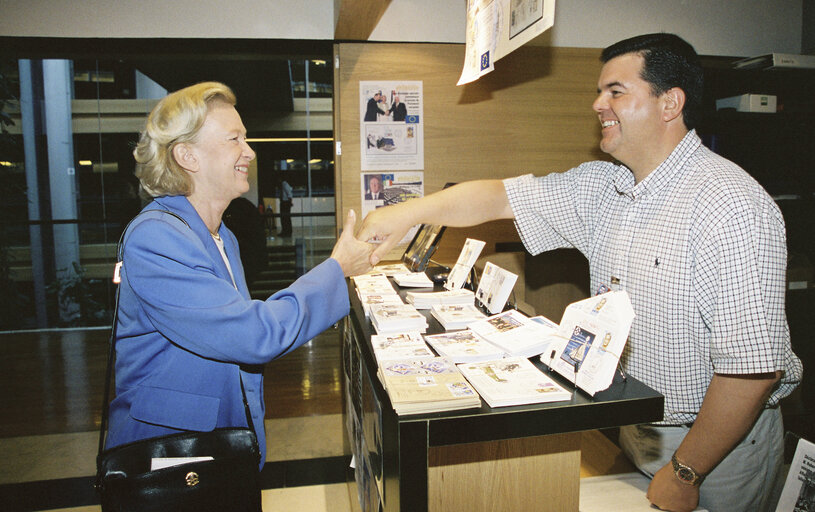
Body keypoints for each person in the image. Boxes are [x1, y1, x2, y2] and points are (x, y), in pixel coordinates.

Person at [356, 33, 802, 512]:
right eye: (599, 91)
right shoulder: (602, 186)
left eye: (615, 92)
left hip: (715, 448)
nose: (597, 104)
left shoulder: (731, 205)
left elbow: (751, 370)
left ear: (670, 103)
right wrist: (405, 213)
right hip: (638, 428)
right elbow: (498, 197)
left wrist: (686, 470)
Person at [105, 82, 373, 470]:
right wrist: (337, 269)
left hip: (217, 441)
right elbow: (252, 335)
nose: (249, 151)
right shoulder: (156, 237)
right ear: (187, 156)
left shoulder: (220, 236)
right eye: (235, 139)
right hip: (173, 453)